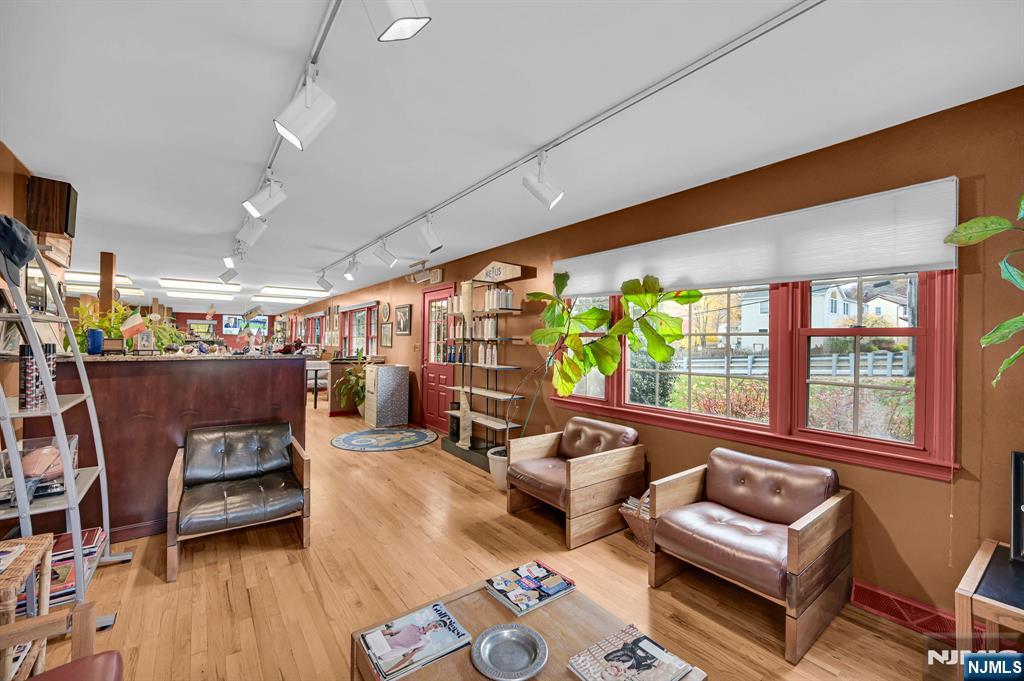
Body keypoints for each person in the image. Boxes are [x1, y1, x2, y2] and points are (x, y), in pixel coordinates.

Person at [378, 619, 445, 674]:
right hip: (377, 645)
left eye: (441, 626)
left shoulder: (427, 641)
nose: (439, 625)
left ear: (438, 630)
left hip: (382, 658)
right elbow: (389, 632)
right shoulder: (411, 626)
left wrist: (389, 671)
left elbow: (408, 657)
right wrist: (368, 635)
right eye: (438, 622)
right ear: (432, 621)